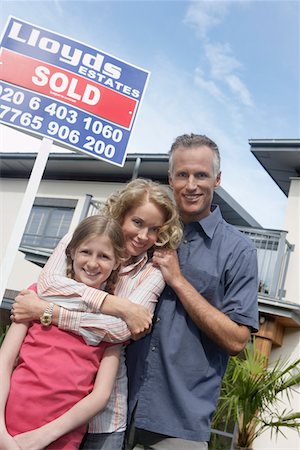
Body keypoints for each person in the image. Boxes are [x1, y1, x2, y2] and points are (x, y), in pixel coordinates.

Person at [10, 178, 183, 450]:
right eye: (137, 222)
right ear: (121, 213)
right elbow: (47, 286)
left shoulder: (153, 273)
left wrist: (50, 312)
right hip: (40, 402)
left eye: (153, 229)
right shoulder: (81, 237)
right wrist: (119, 306)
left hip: (104, 413)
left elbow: (123, 331)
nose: (142, 236)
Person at [124, 133, 259, 449]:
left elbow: (237, 340)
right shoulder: (145, 234)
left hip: (179, 424)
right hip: (115, 405)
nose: (191, 184)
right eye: (182, 174)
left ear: (218, 179)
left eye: (201, 174)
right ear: (170, 178)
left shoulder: (239, 251)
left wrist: (179, 281)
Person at [0, 215, 125, 450]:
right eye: (86, 252)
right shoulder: (36, 295)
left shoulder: (113, 321)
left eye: (104, 256)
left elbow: (101, 395)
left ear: (117, 262)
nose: (92, 263)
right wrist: (0, 431)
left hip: (61, 437)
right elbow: (4, 362)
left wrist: (43, 436)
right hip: (8, 423)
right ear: (72, 252)